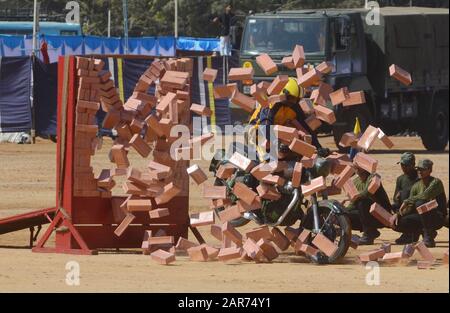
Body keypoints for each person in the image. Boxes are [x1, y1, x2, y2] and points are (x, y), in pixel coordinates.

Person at [248, 77, 322, 157]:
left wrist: (318, 148)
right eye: (291, 98)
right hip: (256, 134)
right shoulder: (271, 105)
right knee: (269, 157)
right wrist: (278, 143)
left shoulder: (295, 107)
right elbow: (265, 128)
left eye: (297, 99)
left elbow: (306, 128)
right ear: (283, 94)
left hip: (276, 134)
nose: (293, 102)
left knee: (297, 138)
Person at [392, 159, 447, 248]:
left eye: (423, 169)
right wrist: (398, 214)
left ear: (430, 170)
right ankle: (415, 234)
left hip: (437, 216)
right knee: (400, 222)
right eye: (418, 169)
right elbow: (410, 207)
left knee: (421, 203)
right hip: (422, 216)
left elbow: (425, 195)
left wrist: (407, 201)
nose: (420, 172)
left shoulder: (436, 182)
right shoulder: (416, 186)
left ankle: (428, 236)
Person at [345, 165, 393, 245]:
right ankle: (372, 231)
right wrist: (343, 212)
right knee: (345, 216)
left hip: (382, 215)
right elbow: (352, 204)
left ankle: (369, 234)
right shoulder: (356, 182)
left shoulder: (373, 178)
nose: (358, 170)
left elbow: (367, 193)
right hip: (366, 216)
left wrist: (356, 197)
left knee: (362, 202)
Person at [392, 152, 420, 244]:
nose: (403, 167)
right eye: (402, 165)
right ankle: (407, 232)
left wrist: (400, 214)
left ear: (413, 165)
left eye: (406, 165)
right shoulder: (400, 179)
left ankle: (415, 232)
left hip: (416, 211)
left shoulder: (420, 178)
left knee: (404, 220)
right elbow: (396, 198)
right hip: (403, 209)